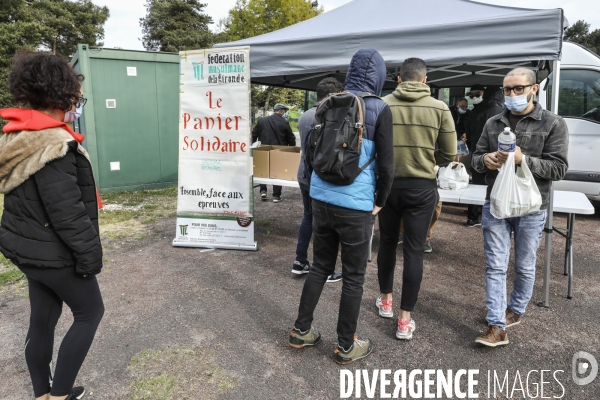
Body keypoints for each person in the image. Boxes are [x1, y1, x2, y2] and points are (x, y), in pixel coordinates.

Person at [0, 51, 104, 400]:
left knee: (42, 319)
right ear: (62, 95)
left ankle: (42, 394)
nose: (77, 104)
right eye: (77, 98)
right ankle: (59, 395)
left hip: (27, 249)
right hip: (55, 253)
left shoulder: (18, 136)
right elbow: (68, 213)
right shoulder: (53, 143)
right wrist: (90, 259)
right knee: (90, 312)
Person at [289, 49, 393, 364]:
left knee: (320, 266)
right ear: (379, 75)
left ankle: (301, 331)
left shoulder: (326, 103)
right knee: (354, 276)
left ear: (350, 72)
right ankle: (346, 346)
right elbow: (387, 165)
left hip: (321, 199)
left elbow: (309, 153)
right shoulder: (379, 108)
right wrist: (379, 203)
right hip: (355, 205)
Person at [472, 67, 568, 347]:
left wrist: (522, 159)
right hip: (497, 203)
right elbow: (477, 159)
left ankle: (515, 310)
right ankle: (496, 325)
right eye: (507, 90)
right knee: (495, 265)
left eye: (518, 89)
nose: (512, 94)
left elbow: (559, 168)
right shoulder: (493, 123)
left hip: (532, 206)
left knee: (524, 265)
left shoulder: (553, 123)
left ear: (534, 89)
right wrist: (486, 159)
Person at [376, 58, 456, 339]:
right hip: (422, 187)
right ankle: (404, 320)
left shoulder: (382, 104)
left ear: (398, 79)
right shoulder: (440, 107)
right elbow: (449, 153)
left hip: (387, 187)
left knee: (386, 243)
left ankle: (385, 301)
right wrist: (426, 159)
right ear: (425, 80)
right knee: (413, 250)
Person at [292, 77, 343, 283]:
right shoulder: (330, 116)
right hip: (321, 176)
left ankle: (300, 261)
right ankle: (325, 269)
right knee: (325, 224)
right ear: (335, 95)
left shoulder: (305, 115)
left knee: (309, 217)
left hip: (304, 173)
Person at [463, 84, 504, 227]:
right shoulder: (504, 112)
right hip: (498, 155)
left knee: (476, 183)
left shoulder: (476, 112)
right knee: (497, 185)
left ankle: (472, 217)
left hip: (478, 152)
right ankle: (494, 215)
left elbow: (467, 130)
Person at [251, 103, 296, 202]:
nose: (284, 113)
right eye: (284, 111)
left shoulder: (262, 120)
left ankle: (263, 191)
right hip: (279, 150)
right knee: (278, 172)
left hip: (263, 149)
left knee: (263, 169)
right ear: (280, 111)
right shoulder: (284, 122)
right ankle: (276, 196)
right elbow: (291, 137)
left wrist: (253, 146)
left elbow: (254, 134)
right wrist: (291, 149)